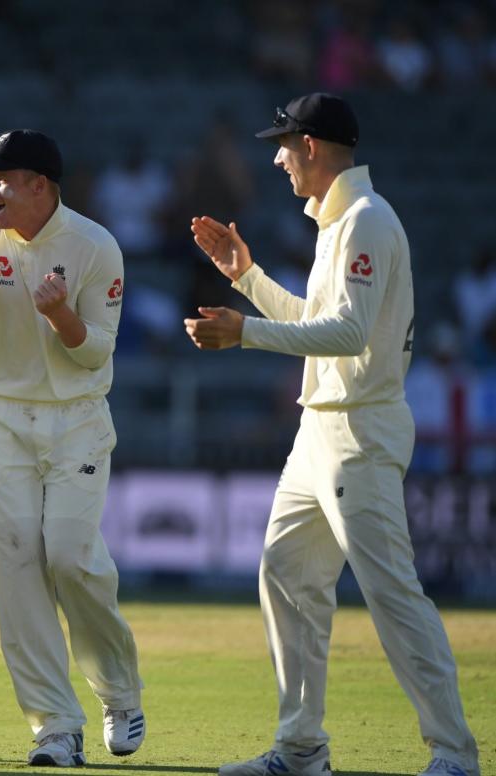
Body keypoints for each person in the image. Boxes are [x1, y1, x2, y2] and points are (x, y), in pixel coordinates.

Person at [185, 92, 481, 776]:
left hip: (359, 431)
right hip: (319, 430)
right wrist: (246, 279)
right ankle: (299, 749)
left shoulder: (367, 221)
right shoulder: (340, 222)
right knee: (286, 575)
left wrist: (244, 333)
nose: (277, 158)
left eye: (283, 145)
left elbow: (346, 334)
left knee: (392, 594)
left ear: (311, 146)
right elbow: (322, 328)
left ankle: (454, 754)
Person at [0, 130, 145, 768]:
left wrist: (61, 316)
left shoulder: (94, 246)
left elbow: (96, 352)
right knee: (17, 560)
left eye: (1, 179)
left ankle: (119, 692)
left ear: (41, 186)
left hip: (76, 419)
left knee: (69, 555)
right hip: (1, 417)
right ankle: (55, 724)